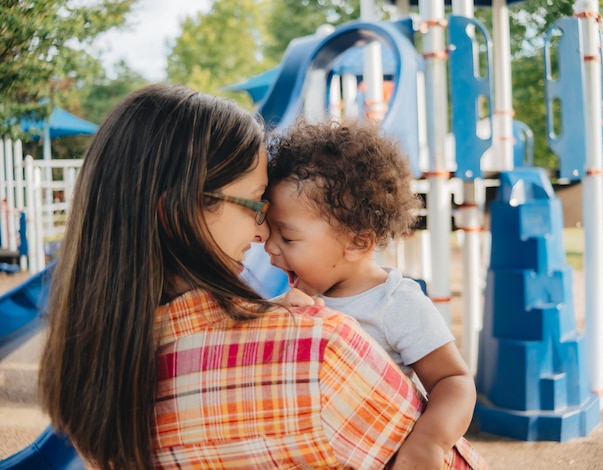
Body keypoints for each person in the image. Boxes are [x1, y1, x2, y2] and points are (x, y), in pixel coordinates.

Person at [37, 84, 426, 470]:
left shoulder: (90, 378)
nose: (261, 235)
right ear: (179, 211)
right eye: (254, 205)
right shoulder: (318, 350)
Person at [264, 119, 485, 469]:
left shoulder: (395, 302)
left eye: (288, 238)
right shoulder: (291, 298)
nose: (270, 248)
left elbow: (453, 380)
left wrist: (429, 441)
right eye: (268, 231)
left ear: (357, 241)